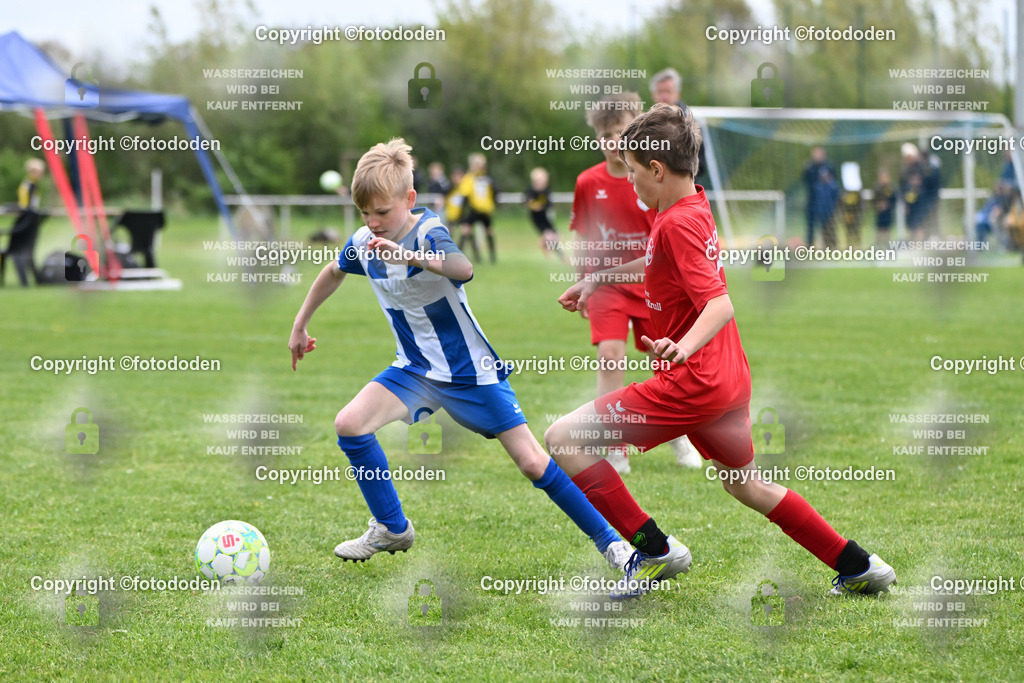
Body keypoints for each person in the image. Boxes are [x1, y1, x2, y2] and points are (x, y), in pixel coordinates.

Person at [545, 104, 897, 599]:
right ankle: (859, 564)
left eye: (632, 172)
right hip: (728, 380)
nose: (630, 183)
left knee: (564, 438)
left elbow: (720, 304)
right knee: (746, 485)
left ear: (656, 169)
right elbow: (657, 265)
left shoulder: (674, 223)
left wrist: (682, 347)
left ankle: (653, 550)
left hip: (694, 383)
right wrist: (597, 280)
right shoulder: (692, 207)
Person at [288, 138, 632, 571]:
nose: (373, 223)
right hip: (414, 372)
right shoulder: (364, 241)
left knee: (530, 461)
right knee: (350, 425)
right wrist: (301, 324)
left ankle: (613, 544)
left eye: (382, 212)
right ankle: (392, 527)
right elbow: (333, 271)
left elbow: (462, 269)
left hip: (471, 373)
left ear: (409, 200)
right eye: (365, 213)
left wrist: (410, 254)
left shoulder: (428, 232)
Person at [570, 91, 700, 474]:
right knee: (610, 357)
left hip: (650, 286)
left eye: (621, 132)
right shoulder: (587, 182)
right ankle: (613, 443)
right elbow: (583, 236)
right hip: (606, 288)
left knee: (667, 363)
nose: (613, 142)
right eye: (605, 135)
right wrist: (582, 282)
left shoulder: (651, 175)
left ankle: (677, 433)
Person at [649, 68, 709, 190]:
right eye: (660, 91)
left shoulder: (692, 124)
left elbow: (700, 164)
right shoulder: (646, 125)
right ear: (653, 94)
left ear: (677, 93)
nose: (664, 96)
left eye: (668, 91)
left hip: (683, 191)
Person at [455, 153, 498, 263]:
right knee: (466, 230)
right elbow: (464, 194)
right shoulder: (470, 178)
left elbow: (495, 192)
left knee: (488, 231)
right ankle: (466, 256)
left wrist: (493, 205)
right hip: (474, 209)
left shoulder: (487, 178)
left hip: (485, 209)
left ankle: (492, 257)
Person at [525, 167, 565, 261]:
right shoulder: (530, 191)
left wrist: (543, 206)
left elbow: (549, 204)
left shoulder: (546, 191)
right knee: (549, 237)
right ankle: (561, 257)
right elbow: (526, 201)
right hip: (536, 218)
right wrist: (534, 205)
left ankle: (547, 248)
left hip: (546, 217)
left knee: (557, 236)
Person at [803, 147, 838, 247]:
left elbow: (834, 183)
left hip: (826, 202)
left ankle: (829, 246)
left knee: (827, 224)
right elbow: (806, 181)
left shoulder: (829, 167)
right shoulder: (809, 168)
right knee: (811, 225)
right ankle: (810, 246)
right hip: (813, 201)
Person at [900, 143, 927, 241]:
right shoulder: (904, 169)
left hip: (919, 202)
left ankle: (920, 245)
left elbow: (921, 183)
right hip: (909, 202)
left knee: (918, 224)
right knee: (910, 225)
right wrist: (904, 203)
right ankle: (912, 244)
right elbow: (902, 186)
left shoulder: (920, 167)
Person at [838, 162, 863, 248]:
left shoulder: (857, 191)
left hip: (856, 215)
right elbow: (840, 205)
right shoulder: (843, 191)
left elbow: (861, 203)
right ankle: (849, 247)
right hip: (847, 215)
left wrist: (857, 214)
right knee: (848, 232)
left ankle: (857, 247)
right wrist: (844, 215)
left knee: (856, 231)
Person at [872, 168, 896, 247]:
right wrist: (878, 205)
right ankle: (877, 247)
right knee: (879, 230)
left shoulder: (891, 188)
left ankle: (888, 247)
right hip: (880, 214)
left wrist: (887, 205)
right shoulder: (877, 188)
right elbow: (873, 200)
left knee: (887, 231)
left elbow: (894, 200)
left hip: (888, 213)